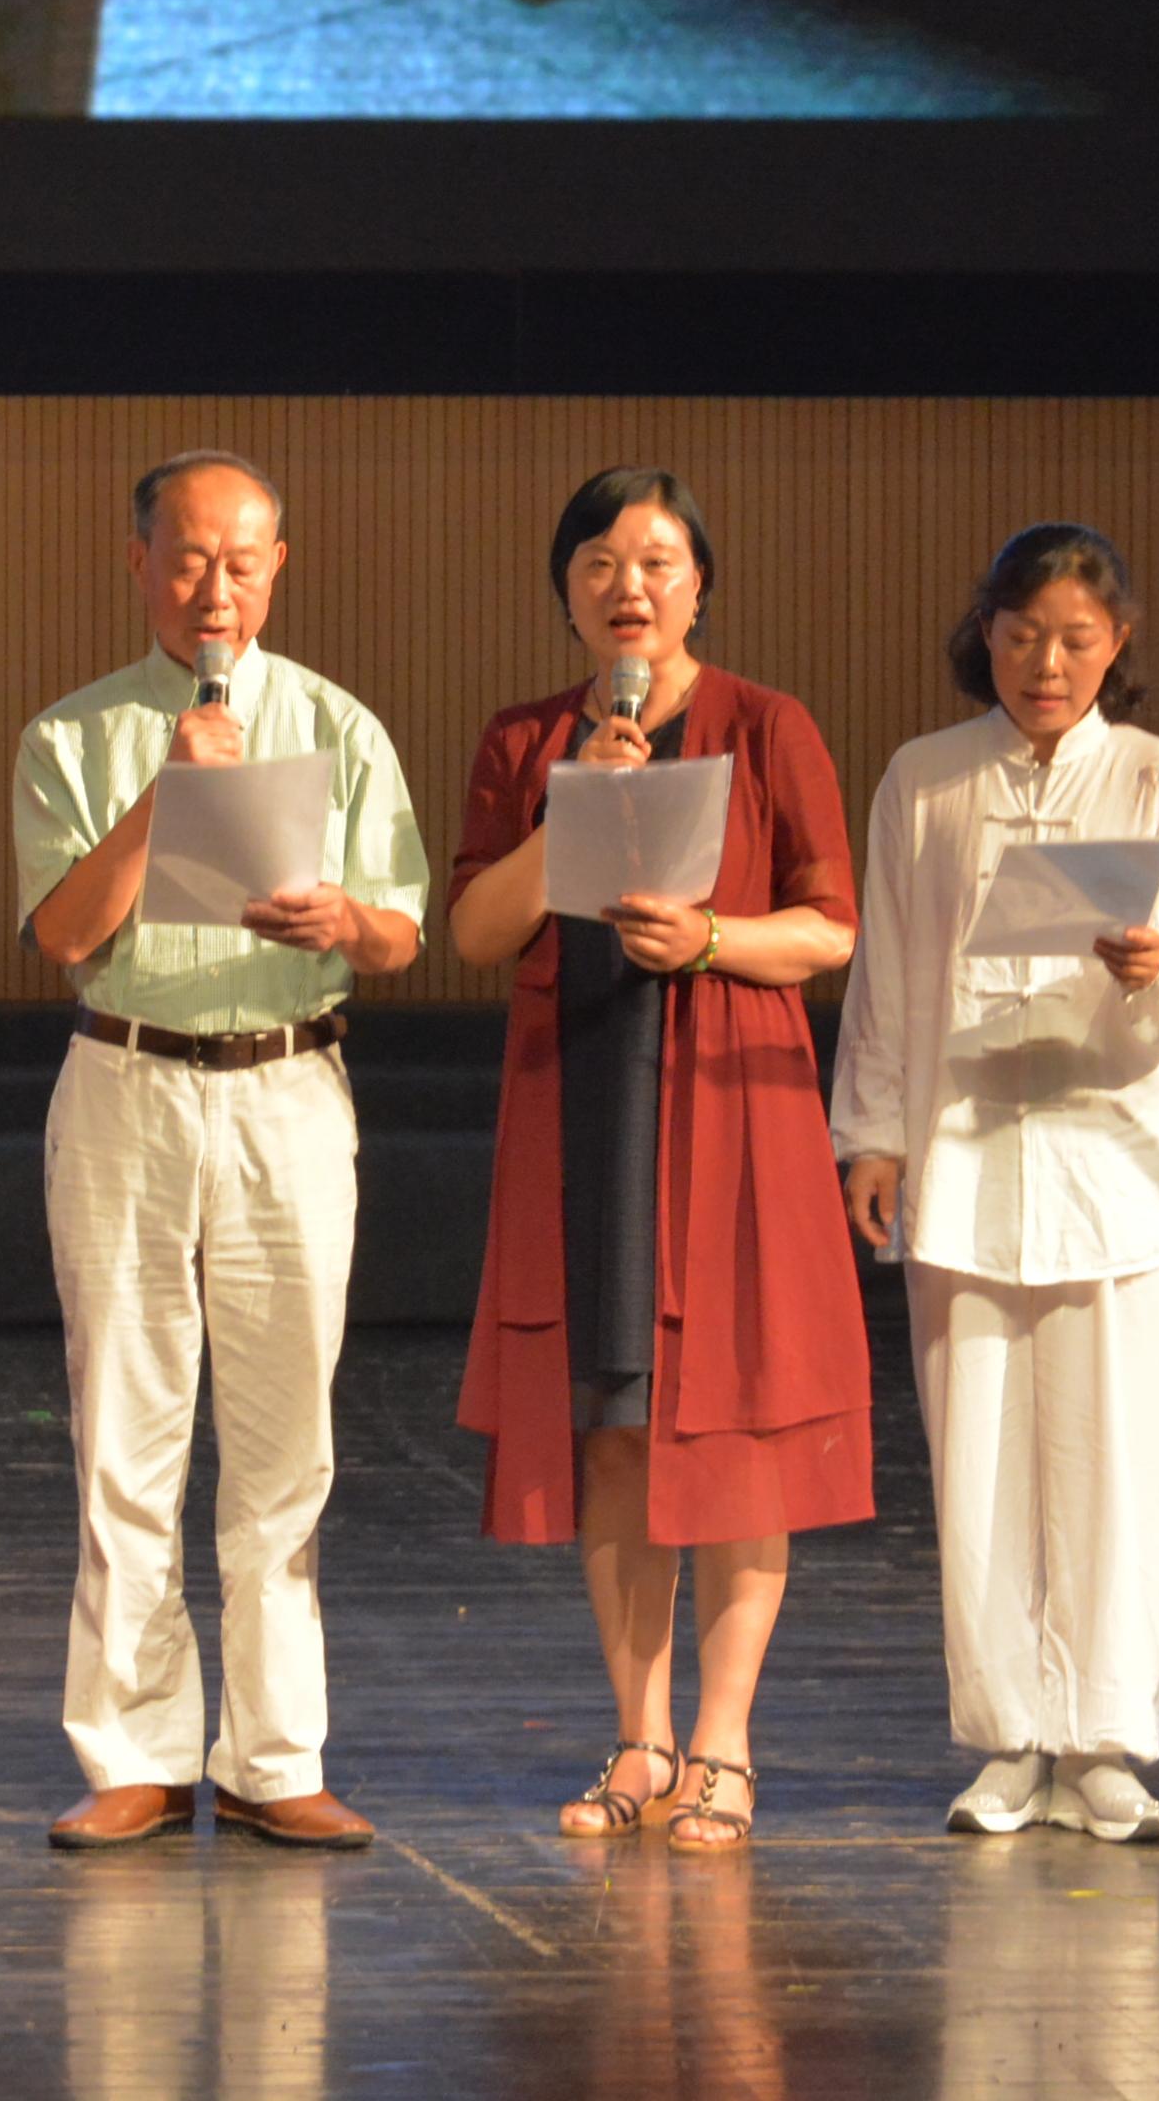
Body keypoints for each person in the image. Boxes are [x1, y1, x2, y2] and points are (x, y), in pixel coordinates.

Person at [445, 468, 865, 1853]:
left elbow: (829, 928)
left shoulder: (767, 725)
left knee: (732, 1423)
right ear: (565, 591)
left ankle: (724, 1746)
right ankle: (640, 1737)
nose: (628, 586)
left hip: (729, 1107)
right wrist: (572, 810)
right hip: (582, 1100)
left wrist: (712, 941)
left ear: (699, 586)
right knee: (612, 1424)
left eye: (658, 562)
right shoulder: (527, 740)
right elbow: (477, 931)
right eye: (600, 564)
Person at [13, 451, 428, 1853]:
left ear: (277, 568)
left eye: (242, 563)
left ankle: (272, 1752)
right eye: (189, 559)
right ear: (138, 561)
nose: (215, 590)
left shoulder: (337, 725)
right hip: (125, 1078)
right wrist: (161, 796)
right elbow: (61, 935)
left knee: (283, 1438)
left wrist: (344, 924)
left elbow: (402, 929)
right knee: (124, 1433)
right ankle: (134, 1752)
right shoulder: (72, 734)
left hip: (285, 1085)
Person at [832, 524, 1159, 1849]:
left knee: (1114, 1461)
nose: (1046, 664)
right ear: (986, 637)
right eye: (1021, 638)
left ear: (1115, 644)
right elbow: (887, 968)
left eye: (1073, 641)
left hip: (1112, 1162)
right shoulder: (926, 778)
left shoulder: (1158, 777)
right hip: (963, 1152)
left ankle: (1104, 1744)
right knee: (982, 1461)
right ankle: (1010, 1739)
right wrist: (871, 1134)